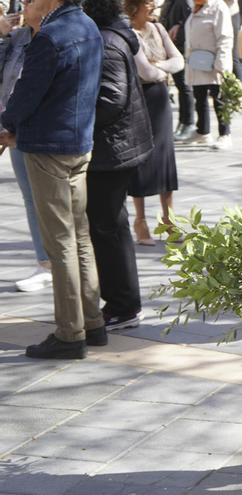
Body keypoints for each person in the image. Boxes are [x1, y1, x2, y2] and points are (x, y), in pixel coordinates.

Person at [0, 0, 105, 359]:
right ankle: (92, 322)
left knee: (60, 243)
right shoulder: (87, 25)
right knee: (80, 237)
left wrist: (7, 125)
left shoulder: (51, 36)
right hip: (77, 142)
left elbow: (27, 95)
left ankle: (69, 333)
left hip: (49, 147)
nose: (28, 2)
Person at [83, 0, 154, 333]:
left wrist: (75, 119)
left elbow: (111, 98)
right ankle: (122, 301)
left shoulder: (109, 41)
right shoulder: (113, 35)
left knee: (108, 229)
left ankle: (123, 305)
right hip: (116, 147)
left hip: (112, 150)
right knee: (111, 227)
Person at [0, 4, 52, 292]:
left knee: (46, 199)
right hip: (12, 130)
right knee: (31, 198)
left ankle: (54, 263)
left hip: (38, 131)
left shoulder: (54, 38)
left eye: (30, 1)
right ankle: (44, 262)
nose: (23, 6)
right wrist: (4, 37)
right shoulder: (19, 38)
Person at [126, 0, 184, 246]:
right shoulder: (128, 33)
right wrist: (161, 69)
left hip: (160, 100)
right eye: (148, 3)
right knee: (140, 158)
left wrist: (158, 66)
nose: (153, 7)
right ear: (135, 6)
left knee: (164, 157)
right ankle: (140, 222)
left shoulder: (158, 29)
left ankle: (169, 220)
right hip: (138, 100)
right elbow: (142, 72)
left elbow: (179, 61)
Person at [183, 0, 233, 149]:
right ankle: (203, 131)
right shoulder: (196, 6)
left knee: (219, 99)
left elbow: (225, 37)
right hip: (198, 61)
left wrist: (221, 64)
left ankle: (225, 134)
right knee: (200, 96)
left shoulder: (218, 7)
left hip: (214, 61)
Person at [159, 0, 194, 141]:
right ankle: (183, 122)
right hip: (173, 47)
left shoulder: (184, 2)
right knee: (181, 86)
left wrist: (178, 27)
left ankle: (188, 122)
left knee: (185, 87)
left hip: (179, 49)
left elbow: (189, 22)